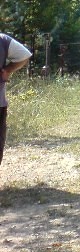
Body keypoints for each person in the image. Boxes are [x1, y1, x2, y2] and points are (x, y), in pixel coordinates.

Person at [0, 33, 32, 166]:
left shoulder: (3, 40)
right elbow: (24, 55)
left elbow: (24, 55)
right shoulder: (2, 40)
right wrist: (8, 70)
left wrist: (7, 70)